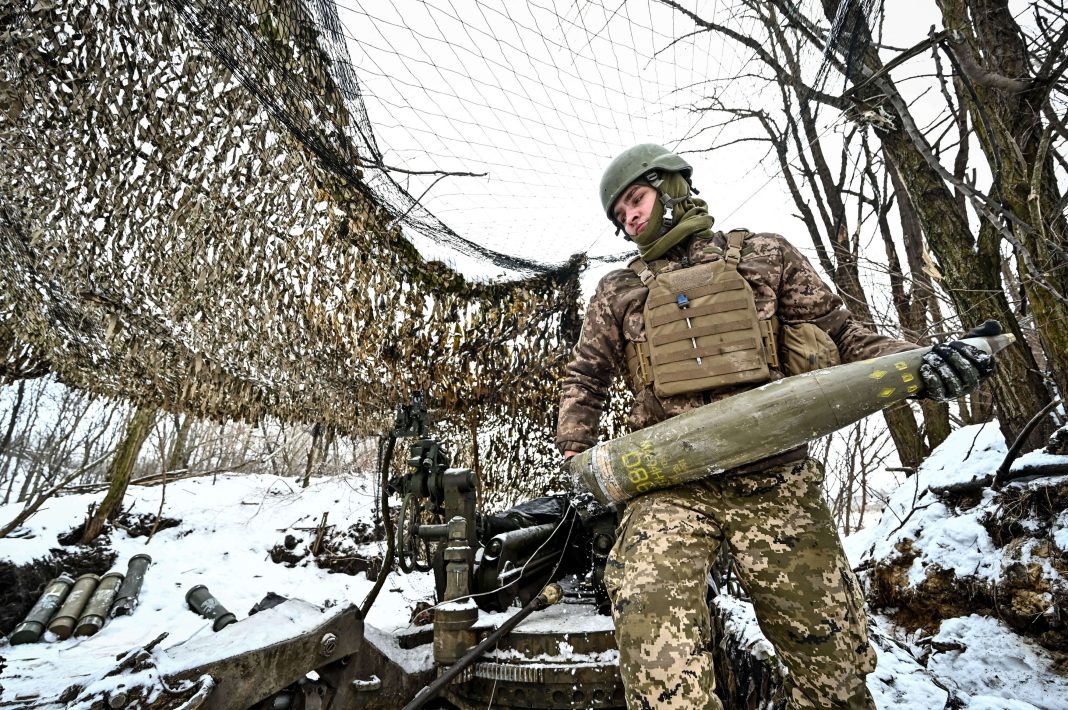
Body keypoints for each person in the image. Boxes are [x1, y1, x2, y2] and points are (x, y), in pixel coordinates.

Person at [556, 143, 997, 709]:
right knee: (655, 647)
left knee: (834, 675)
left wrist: (924, 364)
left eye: (635, 200)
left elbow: (845, 338)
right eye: (620, 216)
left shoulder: (765, 255)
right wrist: (576, 458)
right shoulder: (618, 290)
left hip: (776, 481)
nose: (630, 219)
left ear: (671, 186)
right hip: (671, 488)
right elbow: (585, 378)